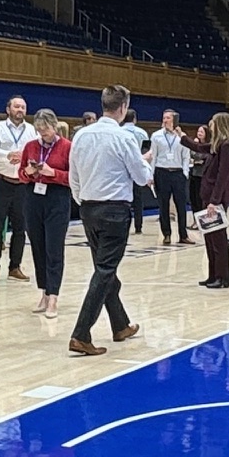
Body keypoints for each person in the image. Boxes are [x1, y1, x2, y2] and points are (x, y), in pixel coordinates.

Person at [66, 84, 152, 357]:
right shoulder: (125, 138)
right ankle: (81, 333)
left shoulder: (81, 135)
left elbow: (74, 175)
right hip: (114, 210)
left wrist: (83, 201)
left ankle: (120, 324)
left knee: (106, 271)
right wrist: (146, 162)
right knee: (104, 271)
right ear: (124, 108)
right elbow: (140, 177)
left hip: (88, 209)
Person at [20, 110, 73, 319]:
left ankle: (54, 297)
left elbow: (74, 177)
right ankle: (43, 291)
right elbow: (21, 174)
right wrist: (28, 172)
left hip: (57, 197)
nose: (44, 134)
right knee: (37, 247)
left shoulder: (67, 147)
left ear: (55, 126)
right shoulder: (31, 146)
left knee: (54, 248)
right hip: (33, 197)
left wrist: (54, 173)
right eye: (40, 131)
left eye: (47, 130)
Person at [185, 112, 229, 289]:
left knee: (218, 239)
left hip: (215, 200)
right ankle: (212, 274)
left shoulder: (228, 145)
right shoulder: (217, 145)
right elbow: (199, 147)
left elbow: (223, 176)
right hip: (207, 196)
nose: (210, 126)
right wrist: (180, 135)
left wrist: (214, 201)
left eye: (213, 123)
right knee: (209, 237)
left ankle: (222, 277)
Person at [0, 96, 35, 282]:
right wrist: (9, 155)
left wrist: (25, 158)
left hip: (22, 184)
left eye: (23, 106)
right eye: (16, 106)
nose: (20, 109)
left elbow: (36, 152)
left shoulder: (31, 130)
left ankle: (15, 266)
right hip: (1, 182)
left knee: (21, 228)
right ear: (8, 109)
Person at [150, 109, 194, 245]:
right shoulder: (156, 136)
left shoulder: (182, 136)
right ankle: (166, 234)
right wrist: (151, 175)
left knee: (181, 205)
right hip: (162, 172)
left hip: (177, 173)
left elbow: (186, 157)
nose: (165, 120)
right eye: (164, 118)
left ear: (175, 120)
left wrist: (185, 173)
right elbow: (153, 156)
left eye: (168, 118)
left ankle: (183, 235)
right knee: (163, 205)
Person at [125, 107, 154, 235]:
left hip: (124, 170)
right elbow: (146, 151)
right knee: (138, 199)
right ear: (135, 119)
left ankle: (125, 225)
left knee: (124, 200)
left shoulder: (119, 132)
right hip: (138, 167)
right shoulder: (142, 133)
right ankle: (138, 226)